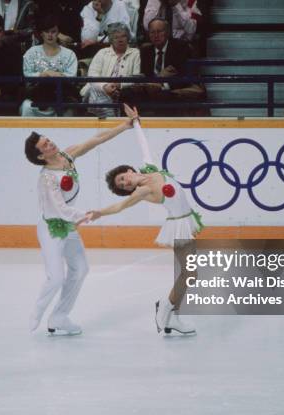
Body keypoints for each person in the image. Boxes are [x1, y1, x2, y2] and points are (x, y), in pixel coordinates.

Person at [86, 105, 202, 335]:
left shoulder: (151, 168)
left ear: (129, 170)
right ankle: (166, 310)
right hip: (178, 225)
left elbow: (143, 144)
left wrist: (136, 121)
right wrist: (100, 212)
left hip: (186, 221)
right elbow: (121, 206)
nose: (125, 183)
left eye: (122, 178)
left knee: (188, 273)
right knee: (190, 274)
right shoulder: (142, 191)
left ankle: (172, 315)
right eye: (121, 185)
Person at [24, 107, 139, 335]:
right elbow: (60, 209)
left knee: (80, 269)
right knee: (56, 277)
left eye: (49, 141)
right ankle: (37, 312)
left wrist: (125, 125)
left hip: (69, 227)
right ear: (40, 156)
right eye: (45, 146)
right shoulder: (47, 178)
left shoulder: (67, 156)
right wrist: (85, 215)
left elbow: (95, 140)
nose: (51, 145)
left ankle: (59, 317)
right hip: (51, 229)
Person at [21, 15, 77, 117]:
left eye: (53, 31)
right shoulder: (31, 52)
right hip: (36, 96)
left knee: (70, 109)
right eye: (47, 31)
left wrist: (56, 75)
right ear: (41, 33)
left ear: (58, 33)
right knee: (26, 106)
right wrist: (43, 74)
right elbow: (27, 74)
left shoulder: (69, 54)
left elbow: (72, 77)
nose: (50, 35)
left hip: (62, 97)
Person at [81, 22, 140, 118]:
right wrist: (104, 87)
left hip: (120, 92)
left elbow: (136, 78)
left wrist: (119, 85)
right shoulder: (102, 53)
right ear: (111, 40)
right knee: (94, 90)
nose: (120, 40)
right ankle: (110, 118)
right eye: (116, 37)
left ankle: (99, 118)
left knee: (111, 96)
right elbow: (92, 75)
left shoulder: (135, 53)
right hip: (97, 90)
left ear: (128, 38)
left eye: (123, 36)